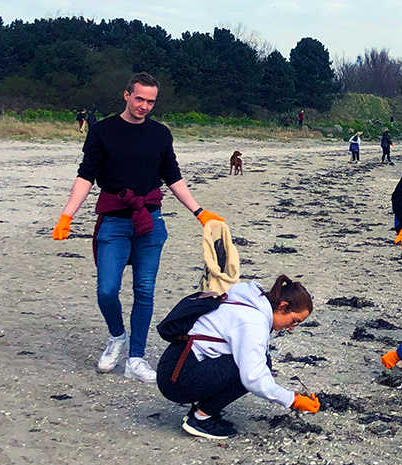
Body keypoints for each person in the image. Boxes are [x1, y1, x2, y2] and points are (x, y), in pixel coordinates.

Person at [51, 73, 213, 384]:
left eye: (151, 101)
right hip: (113, 221)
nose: (144, 106)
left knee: (144, 290)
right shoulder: (102, 131)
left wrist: (199, 211)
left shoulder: (160, 134)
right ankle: (117, 336)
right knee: (107, 290)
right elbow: (86, 175)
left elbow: (173, 176)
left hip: (150, 222)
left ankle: (136, 358)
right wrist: (67, 215)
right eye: (139, 99)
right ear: (126, 95)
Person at [159, 274, 320, 441]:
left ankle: (203, 412)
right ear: (282, 307)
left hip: (177, 365)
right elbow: (254, 377)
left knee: (259, 361)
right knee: (253, 367)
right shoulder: (253, 322)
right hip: (176, 378)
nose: (292, 327)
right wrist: (292, 400)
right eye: (295, 321)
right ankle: (201, 419)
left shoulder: (249, 301)